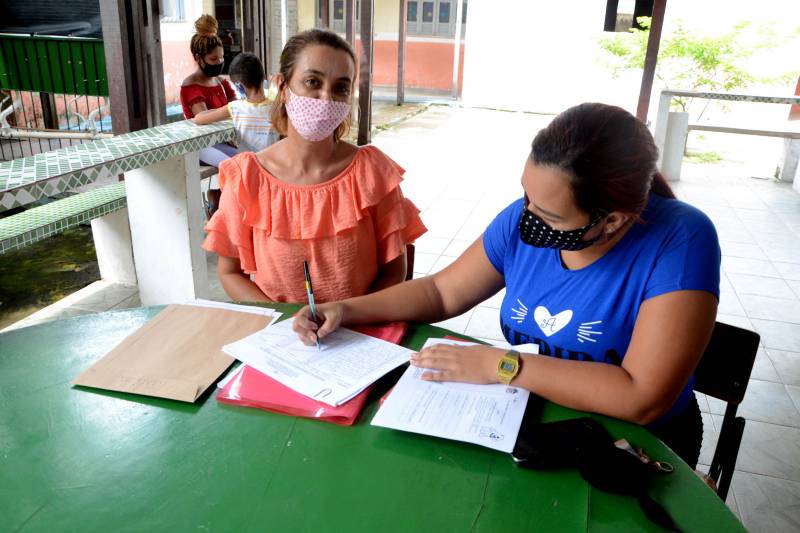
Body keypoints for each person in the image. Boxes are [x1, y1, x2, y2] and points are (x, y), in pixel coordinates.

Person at [293, 103, 721, 468]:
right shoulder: (524, 218)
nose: (527, 215)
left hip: (635, 444)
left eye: (550, 215)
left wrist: (502, 365)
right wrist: (346, 309)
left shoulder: (681, 240)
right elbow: (442, 292)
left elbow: (642, 397)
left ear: (612, 219)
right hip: (536, 419)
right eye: (526, 196)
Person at [202, 29, 427, 304]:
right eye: (312, 81)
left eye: (341, 88)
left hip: (361, 332)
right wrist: (284, 322)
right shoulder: (246, 177)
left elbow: (395, 269)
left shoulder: (372, 171)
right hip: (278, 336)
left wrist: (352, 317)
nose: (326, 98)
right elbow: (230, 273)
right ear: (283, 88)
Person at [180, 14, 237, 215]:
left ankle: (219, 195)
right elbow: (204, 119)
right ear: (198, 58)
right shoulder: (190, 86)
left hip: (224, 140)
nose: (219, 62)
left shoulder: (221, 82)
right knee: (233, 166)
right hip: (200, 145)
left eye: (221, 58)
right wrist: (231, 113)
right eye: (213, 59)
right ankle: (221, 203)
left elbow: (236, 107)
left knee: (250, 160)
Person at [194, 52, 279, 153]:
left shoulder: (235, 107)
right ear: (263, 77)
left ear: (239, 86)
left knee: (204, 152)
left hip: (246, 165)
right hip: (273, 165)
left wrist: (218, 110)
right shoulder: (278, 107)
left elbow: (199, 119)